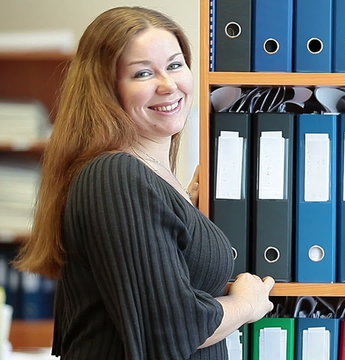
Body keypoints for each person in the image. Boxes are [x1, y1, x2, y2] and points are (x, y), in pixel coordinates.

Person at [14, 7, 274, 359]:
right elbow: (171, 331)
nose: (168, 85)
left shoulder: (146, 177)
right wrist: (246, 304)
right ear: (107, 89)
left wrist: (181, 210)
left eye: (175, 65)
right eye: (142, 73)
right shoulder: (115, 176)